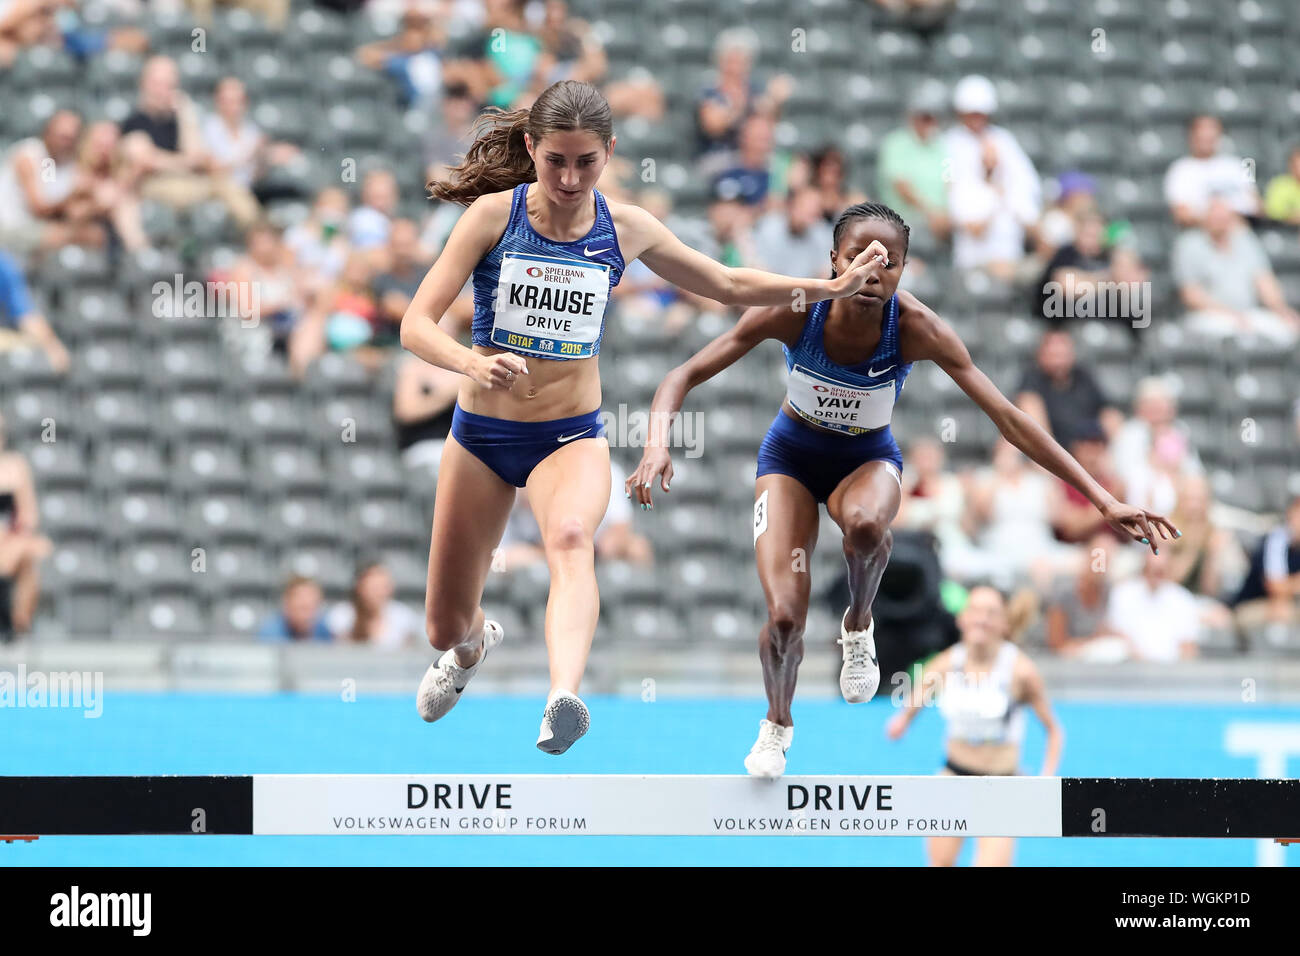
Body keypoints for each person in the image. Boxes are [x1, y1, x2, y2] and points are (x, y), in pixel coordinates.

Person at [400, 80, 886, 755]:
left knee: (571, 537)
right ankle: (472, 645)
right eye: (556, 162)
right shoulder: (491, 217)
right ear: (532, 148)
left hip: (567, 436)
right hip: (481, 435)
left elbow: (729, 283)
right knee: (442, 624)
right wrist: (471, 362)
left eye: (587, 163)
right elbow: (414, 325)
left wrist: (826, 286)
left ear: (610, 153)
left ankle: (563, 697)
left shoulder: (623, 227)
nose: (570, 178)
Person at [627, 200, 1176, 777]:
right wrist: (658, 441)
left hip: (865, 460)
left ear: (904, 270)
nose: (871, 270)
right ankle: (777, 725)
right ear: (832, 260)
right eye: (857, 256)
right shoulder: (794, 309)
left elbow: (1010, 420)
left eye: (887, 262)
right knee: (785, 617)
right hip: (790, 458)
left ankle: (858, 623)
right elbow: (680, 374)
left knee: (865, 526)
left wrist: (1103, 498)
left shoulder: (915, 326)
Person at [886, 585, 1063, 866]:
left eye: (991, 613)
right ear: (962, 619)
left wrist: (1046, 779)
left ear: (1004, 624)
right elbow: (918, 698)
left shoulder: (1021, 671)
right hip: (953, 780)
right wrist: (902, 721)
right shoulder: (945, 664)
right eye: (975, 611)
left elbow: (1053, 731)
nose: (982, 619)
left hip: (1001, 787)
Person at [1172, 196, 1300, 345]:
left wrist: (1282, 310)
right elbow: (1191, 295)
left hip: (1248, 314)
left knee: (1288, 329)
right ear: (1205, 217)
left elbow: (1264, 281)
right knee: (1227, 332)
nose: (1219, 220)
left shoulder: (1245, 240)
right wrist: (1231, 315)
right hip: (1210, 316)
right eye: (1215, 215)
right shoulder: (1189, 244)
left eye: (1224, 216)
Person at [0, 411, 52, 640]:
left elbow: (28, 513)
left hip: (10, 538)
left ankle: (17, 622)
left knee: (27, 557)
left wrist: (11, 535)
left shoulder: (16, 465)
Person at [1164, 114, 1259, 228]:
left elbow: (1256, 205)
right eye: (1201, 129)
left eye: (1212, 129)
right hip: (1200, 233)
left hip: (1241, 230)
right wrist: (1217, 219)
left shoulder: (1243, 164)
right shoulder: (1179, 169)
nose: (1207, 134)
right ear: (1191, 135)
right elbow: (1181, 215)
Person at [327, 560, 422, 648]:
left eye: (383, 586)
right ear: (360, 588)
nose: (380, 593)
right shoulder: (342, 615)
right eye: (374, 587)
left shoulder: (404, 616)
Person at [257, 575, 333, 642]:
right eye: (301, 608)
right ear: (287, 604)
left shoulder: (325, 632)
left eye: (311, 607)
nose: (306, 616)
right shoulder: (270, 635)